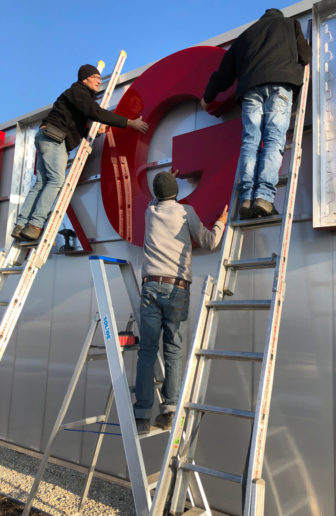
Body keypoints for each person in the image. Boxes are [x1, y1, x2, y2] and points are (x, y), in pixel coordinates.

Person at [134, 171, 228, 434]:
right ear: (176, 191)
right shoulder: (186, 212)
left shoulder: (150, 213)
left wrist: (165, 184)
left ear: (156, 194)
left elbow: (158, 199)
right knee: (173, 350)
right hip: (177, 289)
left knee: (147, 351)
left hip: (151, 285)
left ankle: (141, 416)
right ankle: (169, 411)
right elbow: (209, 242)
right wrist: (221, 221)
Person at [11, 64, 149, 241]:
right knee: (56, 181)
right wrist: (129, 122)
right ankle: (35, 225)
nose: (99, 81)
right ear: (84, 79)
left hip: (49, 135)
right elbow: (95, 112)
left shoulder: (77, 97)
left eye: (100, 78)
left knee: (41, 183)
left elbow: (73, 124)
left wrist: (91, 132)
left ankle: (20, 225)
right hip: (55, 138)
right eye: (95, 78)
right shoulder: (78, 92)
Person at [201, 8, 311, 219]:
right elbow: (305, 56)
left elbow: (223, 74)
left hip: (250, 90)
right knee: (273, 139)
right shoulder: (290, 25)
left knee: (251, 142)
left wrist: (207, 98)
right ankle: (263, 197)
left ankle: (246, 198)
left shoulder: (245, 37)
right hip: (280, 85)